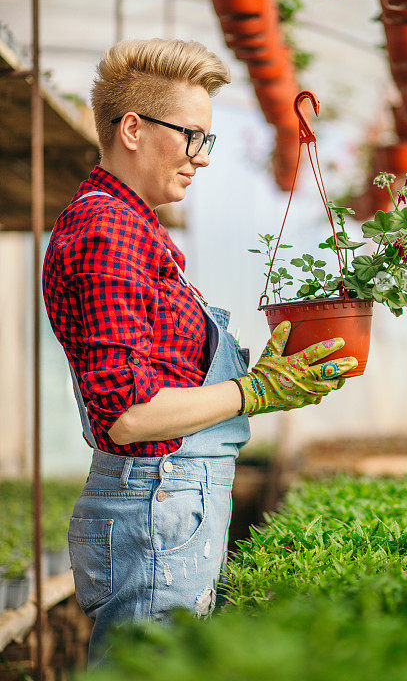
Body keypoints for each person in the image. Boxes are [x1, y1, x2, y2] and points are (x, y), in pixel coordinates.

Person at [42, 38, 358, 666]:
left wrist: (259, 374)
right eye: (193, 136)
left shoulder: (132, 228)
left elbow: (159, 377)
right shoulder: (107, 234)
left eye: (206, 141)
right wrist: (256, 391)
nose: (201, 159)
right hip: (155, 507)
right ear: (132, 129)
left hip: (166, 506)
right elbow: (126, 416)